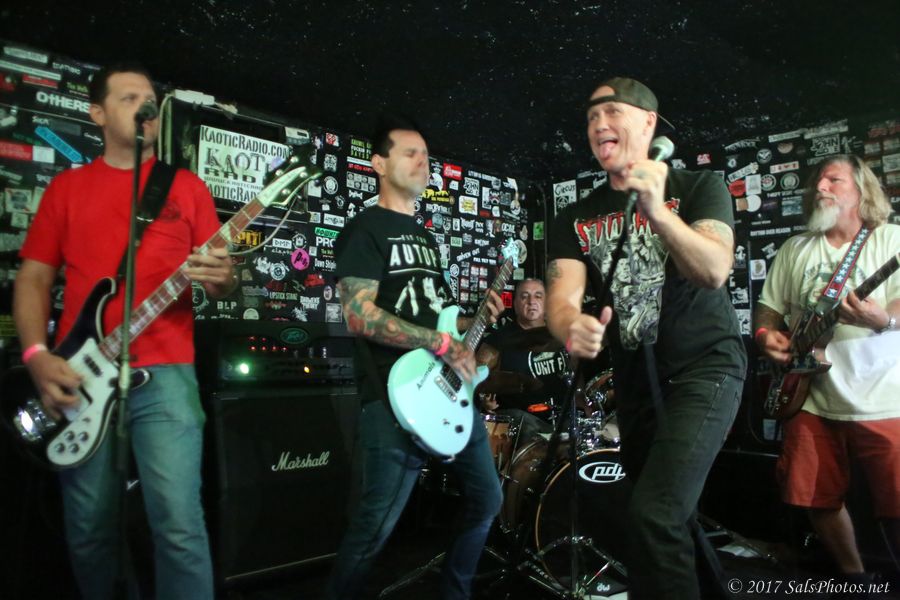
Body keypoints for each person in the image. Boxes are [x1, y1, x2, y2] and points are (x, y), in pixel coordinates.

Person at [13, 62, 235, 600]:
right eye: (129, 97)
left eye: (150, 99)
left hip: (167, 374)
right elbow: (34, 278)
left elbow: (222, 284)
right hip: (81, 376)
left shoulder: (187, 187)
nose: (145, 105)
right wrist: (37, 355)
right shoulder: (67, 188)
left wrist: (223, 278)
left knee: (179, 524)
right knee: (89, 528)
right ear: (97, 113)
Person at [545, 77, 746, 599]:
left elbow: (713, 269)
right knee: (668, 518)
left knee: (655, 515)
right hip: (636, 384)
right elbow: (562, 300)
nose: (599, 124)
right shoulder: (574, 216)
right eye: (591, 117)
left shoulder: (699, 187)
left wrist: (658, 212)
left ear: (649, 122)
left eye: (612, 112)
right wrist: (570, 327)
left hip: (705, 368)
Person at [328, 115, 504, 600]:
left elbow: (438, 316)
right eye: (410, 153)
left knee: (488, 498)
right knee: (375, 526)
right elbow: (360, 316)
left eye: (427, 156)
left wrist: (472, 321)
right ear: (378, 164)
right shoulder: (364, 229)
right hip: (394, 394)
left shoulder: (426, 238)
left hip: (446, 392)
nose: (423, 162)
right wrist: (441, 343)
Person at [754, 155, 899, 584]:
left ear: (861, 190)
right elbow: (768, 310)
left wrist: (884, 319)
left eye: (833, 180)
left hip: (885, 394)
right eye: (818, 180)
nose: (820, 187)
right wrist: (765, 336)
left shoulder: (890, 239)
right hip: (810, 395)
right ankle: (854, 578)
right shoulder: (795, 248)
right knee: (815, 496)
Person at [476, 278, 565, 439]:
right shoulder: (498, 340)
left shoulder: (561, 336)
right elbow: (474, 379)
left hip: (560, 417)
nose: (531, 301)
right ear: (515, 303)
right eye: (524, 296)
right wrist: (483, 400)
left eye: (538, 296)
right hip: (520, 423)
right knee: (525, 425)